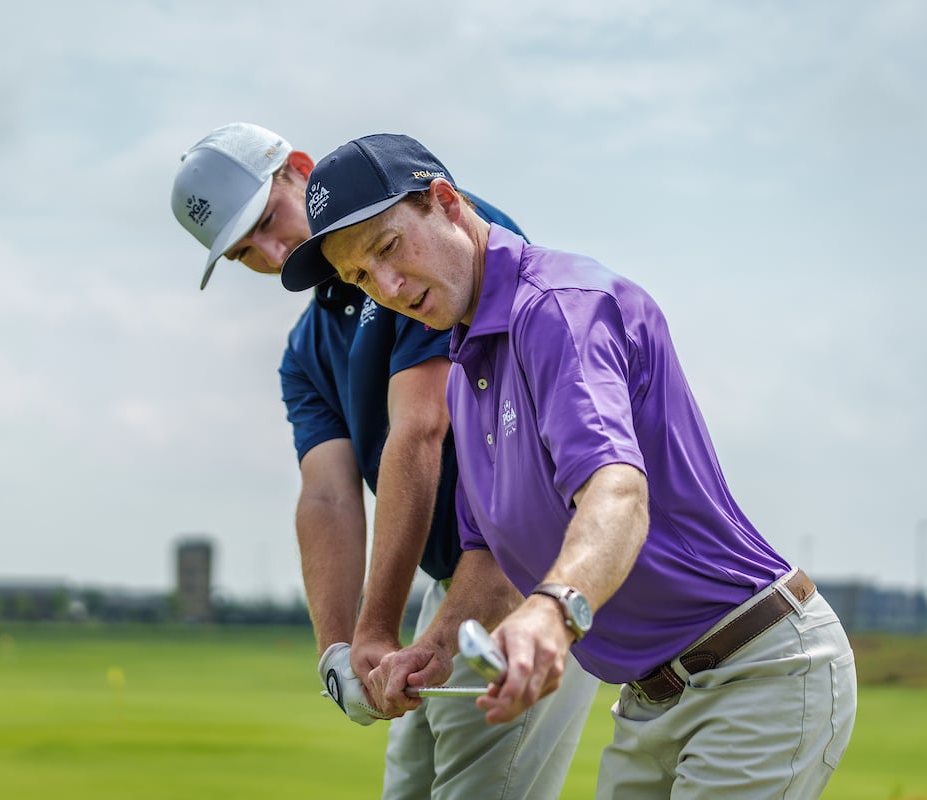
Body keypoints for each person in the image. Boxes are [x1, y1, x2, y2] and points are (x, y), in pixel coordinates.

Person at [281, 132, 858, 798]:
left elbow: (616, 493)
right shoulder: (472, 362)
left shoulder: (557, 308)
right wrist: (431, 650)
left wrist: (553, 611)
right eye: (360, 278)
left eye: (387, 248)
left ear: (444, 201)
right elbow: (489, 557)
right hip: (652, 703)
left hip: (757, 672)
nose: (387, 286)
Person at [170, 123, 599, 799]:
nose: (274, 253)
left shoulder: (429, 245)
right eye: (243, 252)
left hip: (522, 567)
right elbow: (327, 497)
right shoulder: (307, 346)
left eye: (266, 221)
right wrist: (340, 651)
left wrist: (378, 627)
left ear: (297, 171)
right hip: (446, 574)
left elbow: (422, 427)